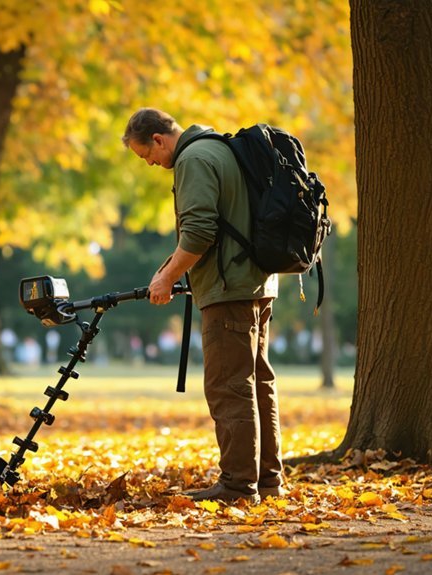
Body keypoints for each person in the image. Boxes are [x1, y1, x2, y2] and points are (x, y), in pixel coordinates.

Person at [122, 108, 283, 504]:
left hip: (230, 290)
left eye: (147, 156)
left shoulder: (193, 159)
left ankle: (238, 486)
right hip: (258, 284)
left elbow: (199, 231)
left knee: (229, 386)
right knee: (257, 383)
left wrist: (167, 277)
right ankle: (267, 481)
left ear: (159, 139)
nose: (152, 164)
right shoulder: (221, 148)